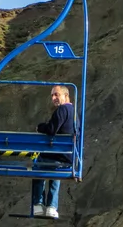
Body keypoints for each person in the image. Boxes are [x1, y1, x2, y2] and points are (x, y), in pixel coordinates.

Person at [32, 85, 77, 219]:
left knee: (38, 169)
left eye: (56, 94)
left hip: (55, 155)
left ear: (65, 95)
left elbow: (51, 129)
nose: (53, 98)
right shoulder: (74, 111)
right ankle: (52, 206)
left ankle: (38, 205)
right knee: (55, 174)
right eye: (52, 95)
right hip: (66, 157)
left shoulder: (62, 110)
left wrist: (39, 127)